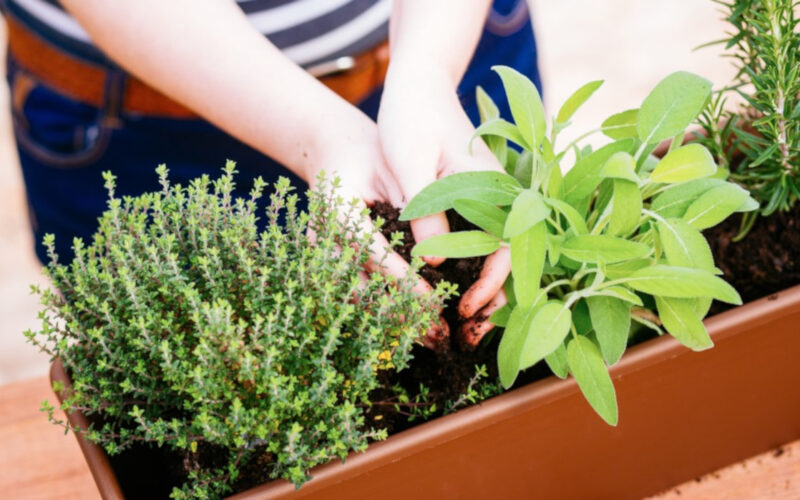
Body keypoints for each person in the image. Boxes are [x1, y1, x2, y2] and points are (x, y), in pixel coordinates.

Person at [2, 0, 541, 345]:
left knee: (505, 322)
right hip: (149, 127)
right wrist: (318, 133)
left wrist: (428, 71)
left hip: (448, 42)